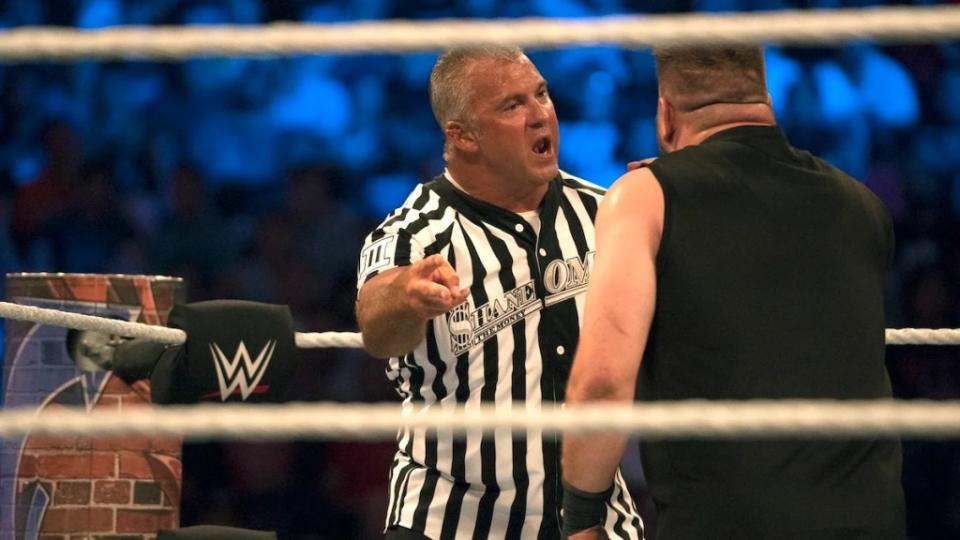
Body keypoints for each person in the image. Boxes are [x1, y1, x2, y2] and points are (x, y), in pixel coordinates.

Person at [560, 46, 905, 540]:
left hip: (730, 520)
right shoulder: (864, 204)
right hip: (872, 518)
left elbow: (603, 383)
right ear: (766, 101)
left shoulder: (645, 197)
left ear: (665, 115)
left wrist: (582, 519)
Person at [355, 46, 644, 540]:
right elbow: (376, 326)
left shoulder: (607, 215)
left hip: (594, 522)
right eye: (512, 106)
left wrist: (680, 202)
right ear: (462, 136)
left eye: (542, 94)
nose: (539, 116)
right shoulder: (417, 234)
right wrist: (407, 295)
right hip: (450, 520)